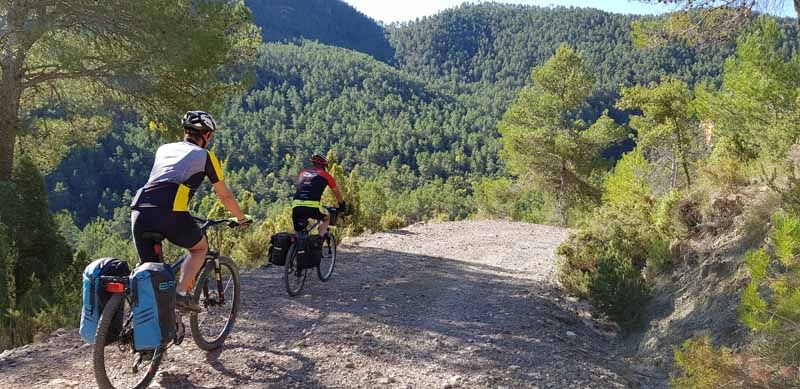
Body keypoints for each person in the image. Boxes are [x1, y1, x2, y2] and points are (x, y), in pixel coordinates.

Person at [130, 110, 250, 312]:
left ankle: (143, 327)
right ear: (207, 135)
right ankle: (182, 294)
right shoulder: (206, 156)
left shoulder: (163, 149)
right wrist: (241, 218)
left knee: (149, 273)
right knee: (199, 248)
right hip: (169, 211)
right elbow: (225, 196)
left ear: (185, 131)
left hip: (139, 209)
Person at [292, 154, 345, 237]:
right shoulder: (326, 175)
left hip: (296, 207)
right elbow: (336, 192)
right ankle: (319, 240)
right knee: (327, 218)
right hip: (312, 207)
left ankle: (295, 247)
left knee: (298, 234)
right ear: (324, 166)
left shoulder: (302, 173)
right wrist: (342, 205)